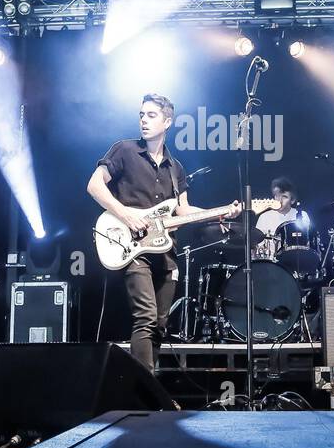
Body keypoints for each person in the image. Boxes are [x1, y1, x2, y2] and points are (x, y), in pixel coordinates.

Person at [87, 93, 240, 371]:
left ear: (167, 121)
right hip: (133, 248)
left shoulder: (176, 168)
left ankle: (142, 385)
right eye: (141, 115)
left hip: (166, 252)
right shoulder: (124, 150)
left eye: (151, 115)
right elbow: (95, 186)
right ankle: (145, 394)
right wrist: (126, 214)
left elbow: (181, 210)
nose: (144, 120)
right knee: (144, 317)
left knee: (158, 323)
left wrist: (220, 212)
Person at [254, 176, 311, 259]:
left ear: (292, 200)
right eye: (277, 196)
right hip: (271, 264)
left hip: (297, 260)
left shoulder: (302, 215)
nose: (279, 200)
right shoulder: (264, 217)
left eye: (284, 197)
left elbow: (308, 242)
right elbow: (257, 245)